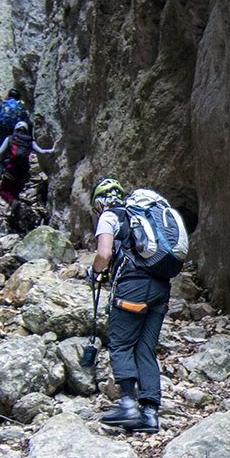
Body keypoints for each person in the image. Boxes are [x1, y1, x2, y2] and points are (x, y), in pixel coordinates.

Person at [90, 176, 175, 433]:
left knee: (121, 344)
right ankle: (149, 415)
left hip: (133, 288)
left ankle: (127, 406)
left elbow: (103, 254)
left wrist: (95, 272)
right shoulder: (141, 217)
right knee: (145, 349)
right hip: (160, 287)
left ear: (100, 202)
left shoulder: (110, 216)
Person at [0, 106, 55, 214]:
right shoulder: (29, 141)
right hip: (24, 173)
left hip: (11, 170)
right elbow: (42, 152)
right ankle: (16, 215)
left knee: (3, 191)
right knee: (15, 193)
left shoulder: (10, 138)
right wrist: (54, 149)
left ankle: (14, 206)